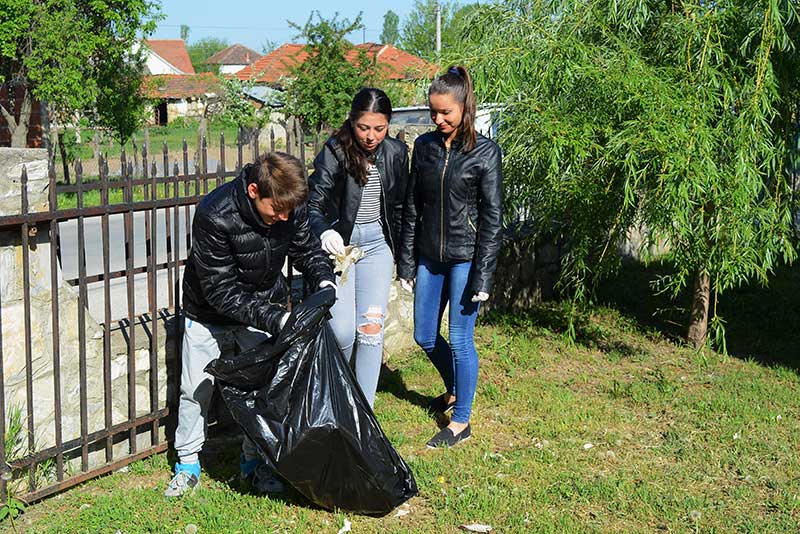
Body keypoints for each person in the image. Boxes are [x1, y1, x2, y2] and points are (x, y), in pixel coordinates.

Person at [166, 152, 335, 497]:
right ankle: (187, 464)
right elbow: (221, 292)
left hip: (264, 304)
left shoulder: (289, 202)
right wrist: (277, 318)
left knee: (263, 390)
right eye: (277, 211)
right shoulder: (215, 214)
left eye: (290, 211)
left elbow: (305, 249)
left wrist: (324, 279)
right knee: (196, 389)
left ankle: (255, 463)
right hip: (208, 313)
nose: (285, 217)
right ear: (254, 190)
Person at [397, 66, 503, 448]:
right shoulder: (423, 147)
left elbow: (493, 218)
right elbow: (412, 206)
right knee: (424, 335)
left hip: (465, 259)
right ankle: (457, 387)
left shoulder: (486, 153)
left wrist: (483, 277)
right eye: (433, 113)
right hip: (429, 256)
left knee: (460, 339)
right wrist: (406, 263)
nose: (438, 120)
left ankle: (461, 421)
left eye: (446, 113)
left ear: (464, 107)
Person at [307, 87, 410, 408]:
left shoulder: (395, 152)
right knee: (342, 332)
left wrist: (405, 262)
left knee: (371, 330)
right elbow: (313, 203)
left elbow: (403, 210)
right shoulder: (335, 151)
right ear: (352, 122)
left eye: (379, 128)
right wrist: (324, 231)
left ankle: (363, 410)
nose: (370, 136)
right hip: (343, 251)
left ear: (388, 125)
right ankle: (333, 396)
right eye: (363, 127)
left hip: (378, 249)